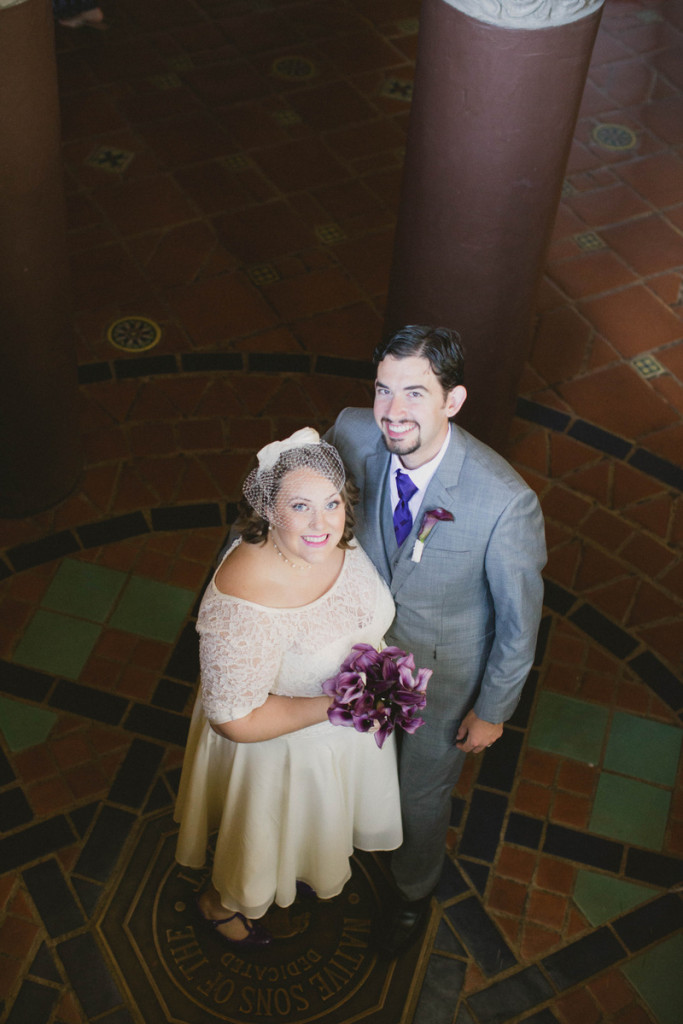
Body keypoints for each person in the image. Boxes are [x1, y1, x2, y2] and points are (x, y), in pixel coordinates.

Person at [325, 325, 546, 954]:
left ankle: (411, 892)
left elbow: (517, 624)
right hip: (352, 654)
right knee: (344, 764)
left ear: (453, 401)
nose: (393, 412)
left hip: (443, 681)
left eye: (415, 394)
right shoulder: (350, 432)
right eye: (383, 390)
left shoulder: (505, 504)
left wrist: (493, 713)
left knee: (419, 800)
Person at [174, 428, 402, 946]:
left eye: (332, 502)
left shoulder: (336, 540)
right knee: (258, 845)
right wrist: (338, 705)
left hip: (339, 734)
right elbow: (233, 719)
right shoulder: (245, 590)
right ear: (269, 512)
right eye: (301, 506)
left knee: (308, 833)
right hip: (275, 753)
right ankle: (219, 905)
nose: (322, 522)